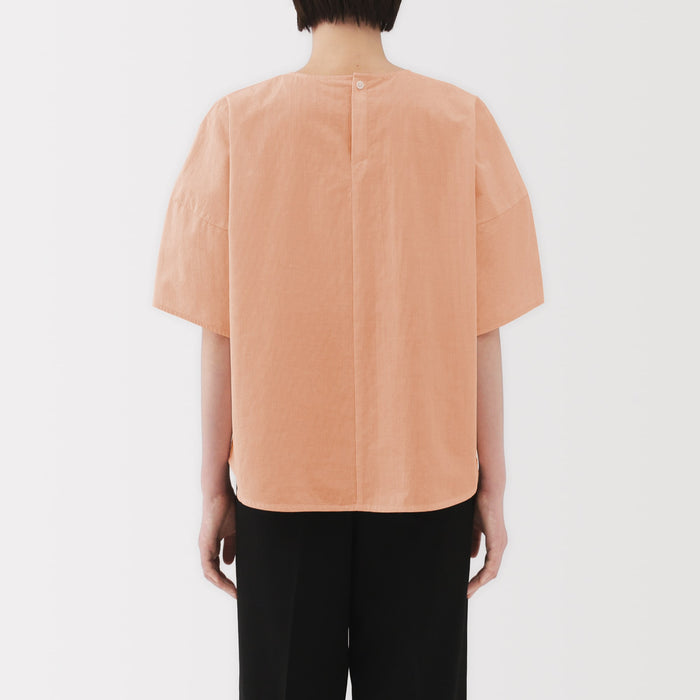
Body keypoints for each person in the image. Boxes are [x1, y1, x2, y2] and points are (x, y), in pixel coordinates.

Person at [152, 1, 544, 697]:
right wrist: (495, 484)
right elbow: (483, 327)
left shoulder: (236, 126)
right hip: (427, 483)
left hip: (281, 487)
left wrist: (214, 488)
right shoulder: (461, 122)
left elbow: (220, 329)